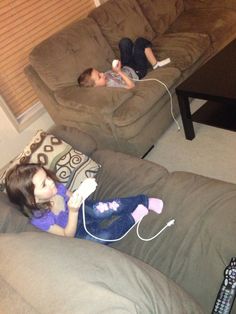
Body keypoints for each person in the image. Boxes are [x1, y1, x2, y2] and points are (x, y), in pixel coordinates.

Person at [5, 163, 164, 245]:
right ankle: (133, 217)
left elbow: (74, 196)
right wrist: (72, 212)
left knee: (104, 208)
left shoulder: (56, 188)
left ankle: (145, 201)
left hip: (81, 209)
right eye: (43, 185)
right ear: (32, 199)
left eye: (46, 176)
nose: (50, 182)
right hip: (74, 229)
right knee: (102, 238)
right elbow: (68, 235)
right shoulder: (39, 218)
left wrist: (82, 192)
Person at [78, 37, 171, 89]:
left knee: (124, 42)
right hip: (138, 71)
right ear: (95, 86)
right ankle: (155, 64)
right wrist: (119, 72)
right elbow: (131, 85)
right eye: (99, 76)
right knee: (140, 42)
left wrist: (116, 69)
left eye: (99, 72)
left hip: (126, 66)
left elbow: (114, 72)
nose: (102, 74)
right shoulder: (111, 86)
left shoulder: (105, 77)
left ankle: (136, 51)